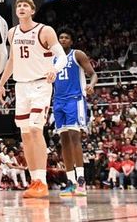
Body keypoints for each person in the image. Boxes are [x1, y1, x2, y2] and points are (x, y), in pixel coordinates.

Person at [0, 0, 68, 199]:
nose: (20, 8)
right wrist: (2, 82)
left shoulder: (45, 31)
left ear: (32, 11)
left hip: (40, 84)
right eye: (18, 5)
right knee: (25, 134)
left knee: (37, 130)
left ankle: (42, 181)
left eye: (25, 5)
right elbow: (12, 59)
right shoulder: (12, 33)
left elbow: (62, 56)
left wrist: (54, 69)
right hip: (21, 86)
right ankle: (33, 180)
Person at [51, 27, 97, 197]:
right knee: (64, 142)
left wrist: (91, 85)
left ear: (71, 41)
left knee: (74, 138)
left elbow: (93, 74)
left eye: (66, 37)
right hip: (58, 101)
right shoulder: (52, 58)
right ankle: (70, 182)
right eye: (60, 37)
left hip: (75, 99)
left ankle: (81, 181)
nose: (62, 39)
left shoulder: (77, 55)